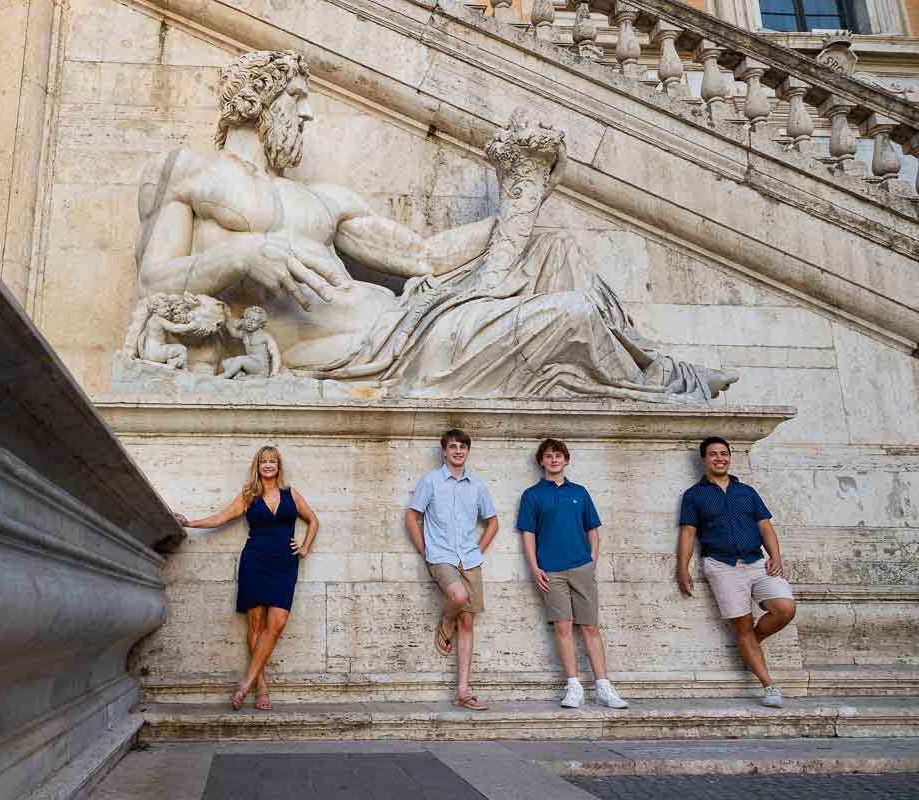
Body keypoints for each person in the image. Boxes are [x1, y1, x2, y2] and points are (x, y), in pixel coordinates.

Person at [134, 49, 736, 402]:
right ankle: (667, 385)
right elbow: (156, 279)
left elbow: (425, 256)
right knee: (573, 315)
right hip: (367, 356)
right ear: (259, 100)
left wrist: (521, 203)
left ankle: (654, 369)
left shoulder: (321, 199)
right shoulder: (193, 174)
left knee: (548, 246)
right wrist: (245, 256)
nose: (310, 112)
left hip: (409, 324)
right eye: (297, 98)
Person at [174, 446, 319, 710]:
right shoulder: (249, 495)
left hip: (285, 565)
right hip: (255, 562)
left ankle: (244, 682)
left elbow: (313, 520)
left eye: (272, 461)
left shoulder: (291, 494)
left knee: (276, 624)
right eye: (263, 461)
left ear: (278, 466)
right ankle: (260, 687)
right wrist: (190, 523)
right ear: (258, 466)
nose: (268, 465)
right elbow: (221, 517)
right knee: (255, 626)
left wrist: (306, 546)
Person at [677, 436, 796, 708]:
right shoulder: (694, 495)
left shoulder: (747, 492)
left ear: (729, 457)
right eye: (713, 454)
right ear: (703, 459)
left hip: (757, 561)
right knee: (741, 626)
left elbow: (765, 527)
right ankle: (769, 686)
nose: (720, 458)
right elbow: (688, 533)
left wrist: (776, 556)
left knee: (785, 608)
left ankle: (750, 642)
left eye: (724, 454)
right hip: (722, 566)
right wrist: (683, 569)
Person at [517, 438, 629, 709]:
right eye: (548, 456)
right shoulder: (532, 495)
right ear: (541, 461)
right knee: (564, 627)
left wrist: (592, 561)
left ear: (566, 460)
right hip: (551, 571)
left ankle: (604, 686)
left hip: (581, 567)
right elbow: (528, 534)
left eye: (558, 455)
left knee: (590, 627)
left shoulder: (579, 492)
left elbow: (593, 529)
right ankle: (574, 686)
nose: (553, 460)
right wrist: (534, 568)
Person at [406, 428, 499, 711]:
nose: (458, 451)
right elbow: (412, 516)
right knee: (457, 597)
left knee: (468, 623)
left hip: (469, 559)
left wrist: (478, 550)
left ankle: (462, 690)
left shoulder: (478, 486)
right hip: (441, 556)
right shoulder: (431, 482)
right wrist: (425, 551)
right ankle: (445, 623)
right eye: (453, 447)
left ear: (468, 451)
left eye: (463, 447)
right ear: (444, 451)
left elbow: (493, 522)